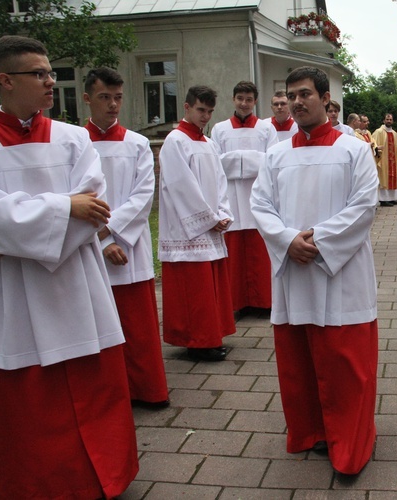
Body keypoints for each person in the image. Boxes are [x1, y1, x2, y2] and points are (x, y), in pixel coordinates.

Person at [0, 35, 138, 499]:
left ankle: (105, 476)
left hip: (77, 284)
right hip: (13, 292)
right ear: (5, 80)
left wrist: (46, 217)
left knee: (94, 390)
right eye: (40, 74)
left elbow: (94, 205)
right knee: (30, 402)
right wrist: (61, 208)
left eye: (52, 72)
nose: (52, 81)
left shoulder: (74, 138)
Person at [250, 65, 379, 476]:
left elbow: (364, 206)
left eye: (305, 94)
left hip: (341, 271)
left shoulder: (353, 149)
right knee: (300, 360)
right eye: (291, 95)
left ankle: (351, 442)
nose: (297, 102)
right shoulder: (275, 154)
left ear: (326, 99)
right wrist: (288, 240)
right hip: (295, 269)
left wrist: (318, 240)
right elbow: (260, 205)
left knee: (345, 363)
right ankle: (311, 431)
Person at [84, 67, 169, 408]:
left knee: (138, 326)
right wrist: (103, 240)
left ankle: (145, 389)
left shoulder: (136, 143)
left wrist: (115, 233)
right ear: (87, 98)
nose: (113, 105)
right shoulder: (74, 143)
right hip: (90, 246)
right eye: (104, 97)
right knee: (98, 324)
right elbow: (76, 197)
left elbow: (143, 195)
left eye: (118, 98)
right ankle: (108, 394)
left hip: (130, 248)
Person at [159, 85, 235, 361]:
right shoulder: (175, 141)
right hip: (187, 228)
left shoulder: (209, 143)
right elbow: (181, 186)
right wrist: (208, 218)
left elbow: (220, 181)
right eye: (201, 110)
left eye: (210, 112)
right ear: (187, 107)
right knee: (195, 289)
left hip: (211, 222)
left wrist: (223, 211)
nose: (206, 117)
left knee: (210, 285)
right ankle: (198, 341)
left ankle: (211, 335)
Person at [211, 81, 278, 314]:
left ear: (255, 101)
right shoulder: (219, 129)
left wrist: (236, 159)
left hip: (257, 193)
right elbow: (215, 163)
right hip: (230, 195)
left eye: (249, 99)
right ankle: (236, 301)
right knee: (235, 251)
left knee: (260, 251)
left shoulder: (266, 129)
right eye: (240, 98)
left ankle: (263, 302)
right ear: (233, 99)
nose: (244, 103)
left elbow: (271, 161)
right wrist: (250, 159)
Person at [372, 113, 397, 206]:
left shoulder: (394, 133)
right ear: (384, 120)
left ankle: (392, 197)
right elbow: (374, 144)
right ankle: (383, 199)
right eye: (387, 119)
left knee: (393, 176)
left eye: (390, 119)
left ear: (392, 121)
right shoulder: (379, 132)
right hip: (383, 159)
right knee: (384, 177)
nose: (389, 121)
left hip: (393, 160)